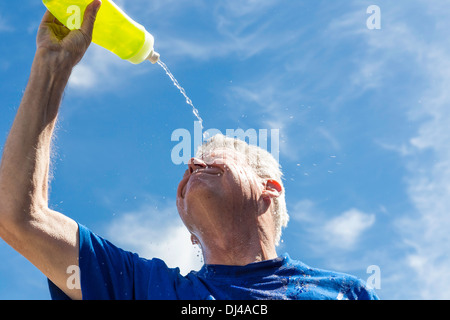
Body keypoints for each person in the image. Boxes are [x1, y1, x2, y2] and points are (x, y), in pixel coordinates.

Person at [0, 1, 379, 300]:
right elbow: (17, 216)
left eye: (214, 157)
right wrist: (51, 67)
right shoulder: (141, 287)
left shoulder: (343, 293)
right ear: (190, 234)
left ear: (270, 189)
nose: (193, 162)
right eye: (192, 162)